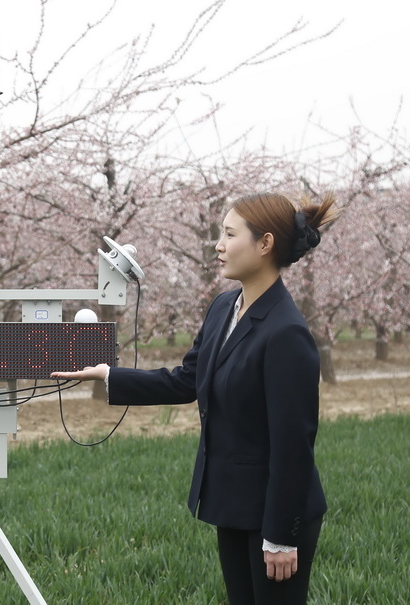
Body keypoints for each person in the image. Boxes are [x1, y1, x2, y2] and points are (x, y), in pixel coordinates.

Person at [52, 192, 339, 604]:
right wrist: (110, 375)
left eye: (230, 235)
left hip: (275, 514)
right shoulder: (224, 307)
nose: (218, 245)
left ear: (265, 244)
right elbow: (188, 381)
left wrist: (281, 535)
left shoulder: (286, 333)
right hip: (232, 502)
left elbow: (294, 444)